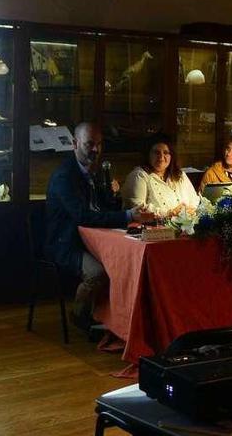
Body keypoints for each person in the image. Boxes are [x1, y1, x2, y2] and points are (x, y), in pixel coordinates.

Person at [45, 122, 154, 331]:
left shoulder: (95, 170)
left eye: (99, 144)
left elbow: (102, 209)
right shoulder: (64, 177)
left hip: (91, 239)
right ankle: (80, 314)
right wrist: (127, 215)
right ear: (74, 144)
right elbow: (83, 216)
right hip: (67, 243)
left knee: (122, 263)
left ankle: (120, 321)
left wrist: (113, 194)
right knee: (98, 273)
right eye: (89, 145)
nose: (95, 150)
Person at [121, 134, 200, 218]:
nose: (161, 158)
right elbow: (137, 208)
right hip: (150, 229)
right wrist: (169, 213)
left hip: (185, 225)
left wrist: (190, 210)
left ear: (172, 156)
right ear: (148, 155)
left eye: (166, 153)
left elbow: (194, 200)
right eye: (156, 153)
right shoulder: (139, 175)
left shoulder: (180, 175)